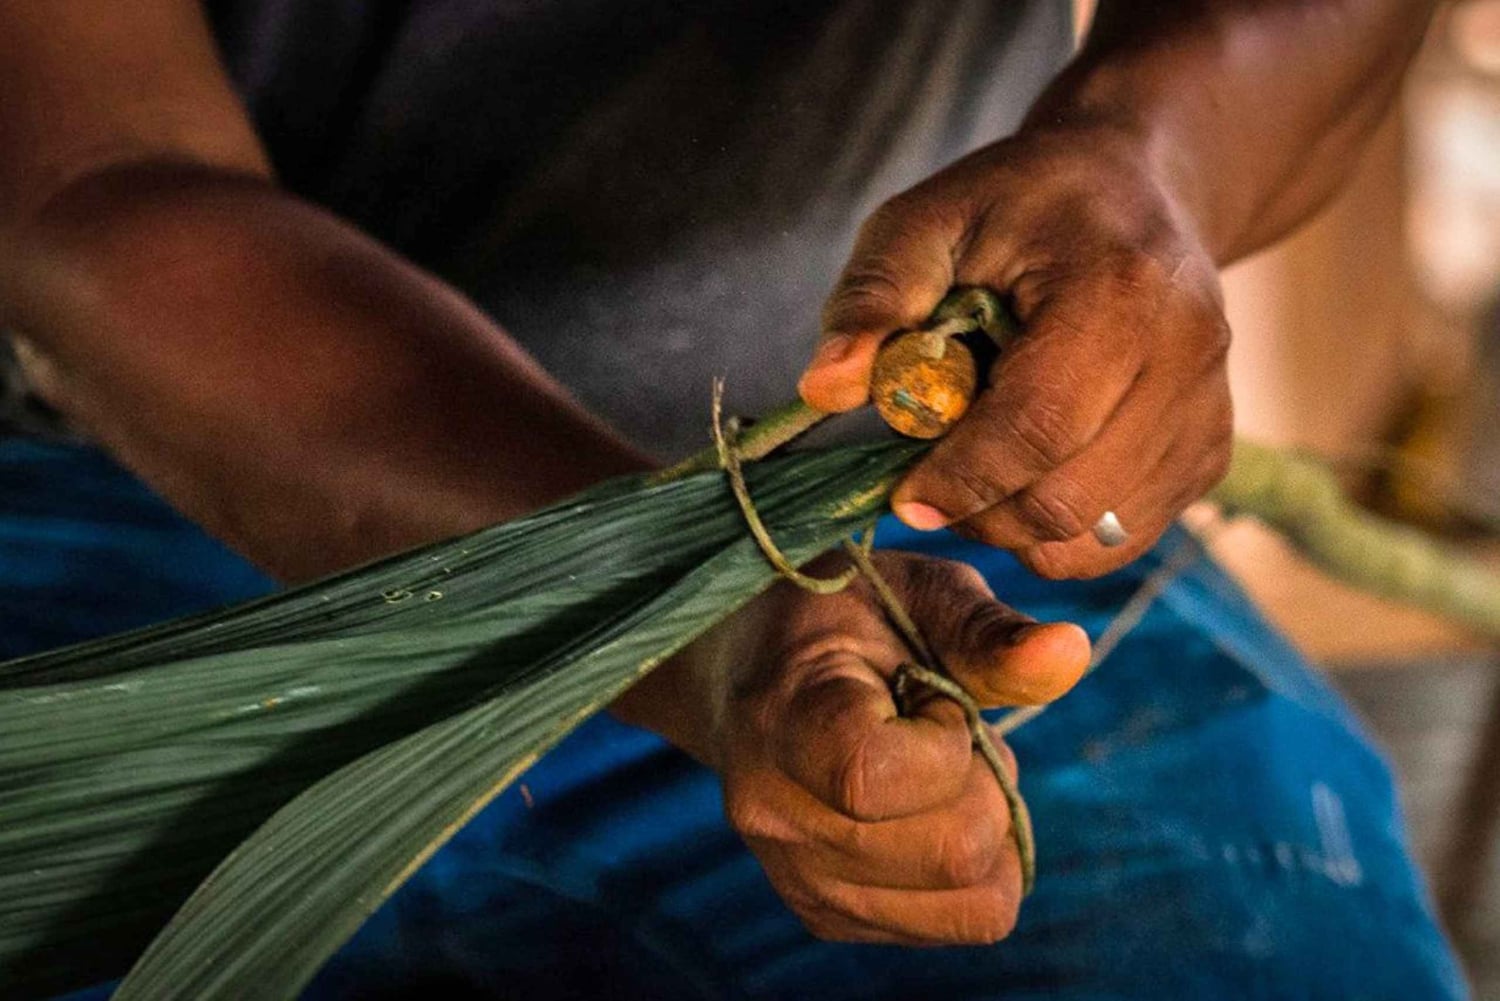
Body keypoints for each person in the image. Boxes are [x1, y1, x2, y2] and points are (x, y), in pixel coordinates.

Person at [0, 1, 1466, 997]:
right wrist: (686, 614)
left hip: (909, 523)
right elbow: (96, 172)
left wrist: (1159, 159)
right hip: (157, 480)